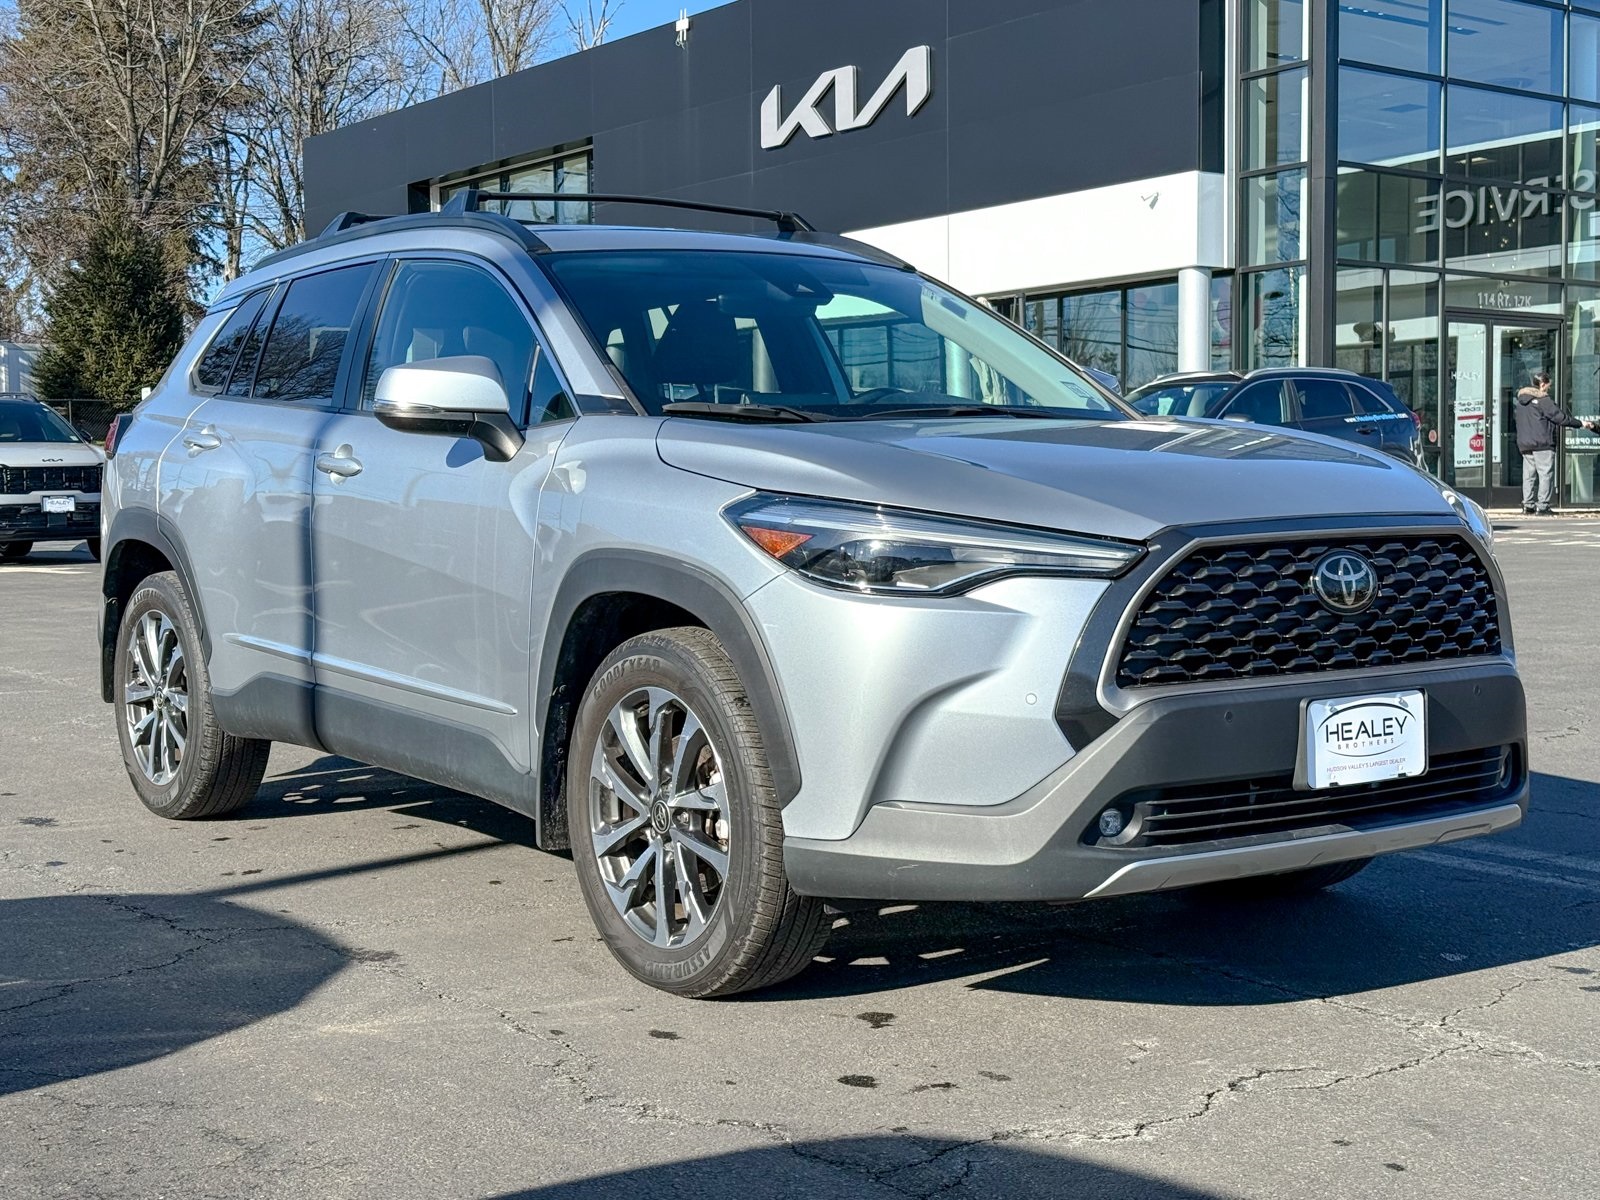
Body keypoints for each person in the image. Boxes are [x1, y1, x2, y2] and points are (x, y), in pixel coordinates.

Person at [1513, 371, 1597, 515]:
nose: (1548, 389)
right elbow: (1561, 418)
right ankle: (1543, 506)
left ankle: (1528, 505)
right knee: (1545, 474)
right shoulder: (1543, 400)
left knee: (1529, 475)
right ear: (1542, 384)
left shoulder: (1521, 402)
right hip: (1542, 442)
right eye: (1548, 386)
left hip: (1525, 443)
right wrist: (1582, 423)